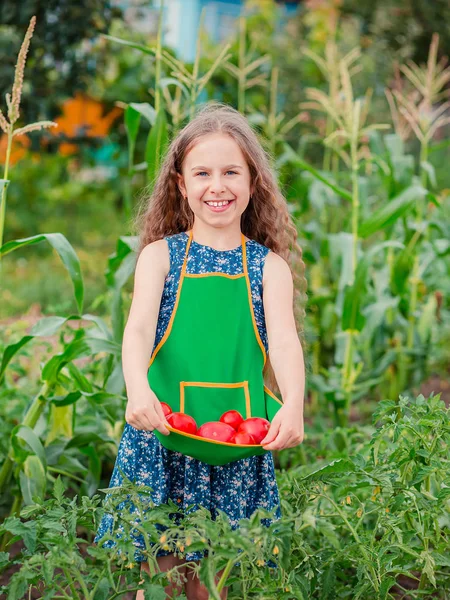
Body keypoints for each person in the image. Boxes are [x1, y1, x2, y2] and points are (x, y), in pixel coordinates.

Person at [94, 102, 306, 600]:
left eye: (231, 171)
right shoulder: (159, 257)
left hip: (234, 445)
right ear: (180, 183)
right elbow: (138, 328)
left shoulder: (269, 267)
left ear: (252, 182)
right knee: (160, 575)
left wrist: (293, 401)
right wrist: (137, 389)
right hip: (164, 434)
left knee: (212, 582)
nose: (218, 186)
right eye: (203, 173)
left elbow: (284, 341)